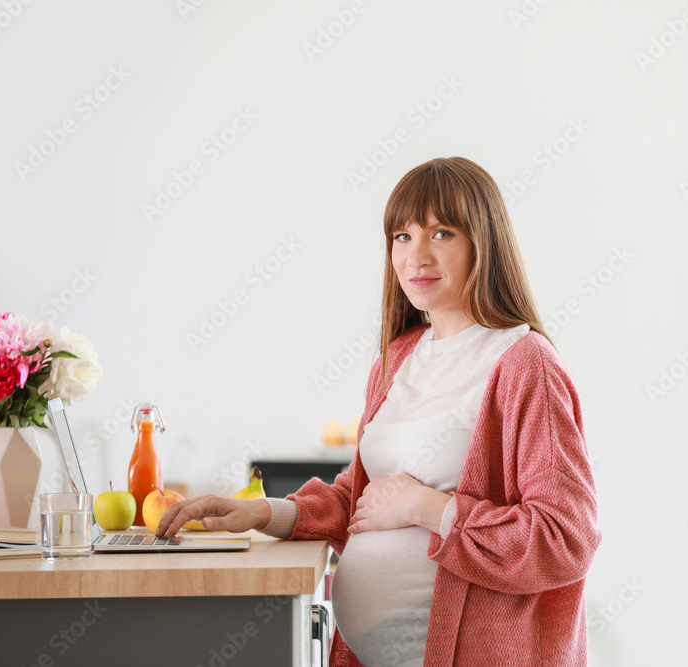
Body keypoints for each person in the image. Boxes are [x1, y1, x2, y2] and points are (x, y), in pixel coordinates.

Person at [158, 156, 602, 666]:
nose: (417, 257)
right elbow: (365, 496)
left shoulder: (524, 364)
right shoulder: (399, 358)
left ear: (484, 242)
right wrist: (266, 513)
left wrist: (428, 509)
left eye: (442, 234)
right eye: (402, 236)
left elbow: (565, 537)